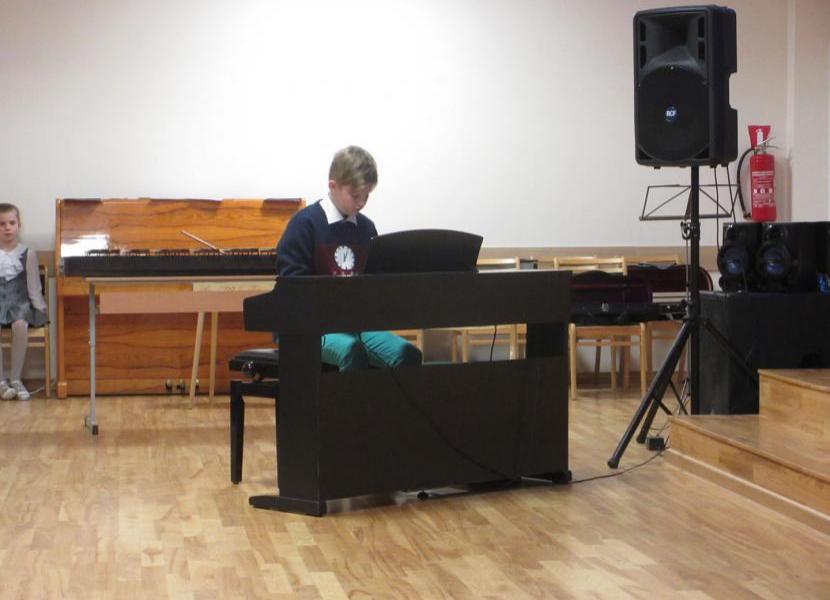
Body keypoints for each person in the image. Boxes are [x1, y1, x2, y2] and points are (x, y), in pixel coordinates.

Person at [276, 146, 422, 371]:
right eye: (355, 196)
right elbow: (292, 287)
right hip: (308, 327)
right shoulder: (304, 224)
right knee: (351, 351)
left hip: (356, 324)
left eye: (366, 196)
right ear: (332, 186)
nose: (361, 203)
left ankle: (384, 397)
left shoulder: (366, 228)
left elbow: (375, 282)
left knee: (408, 354)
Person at [0, 203, 48, 400]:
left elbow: (34, 287)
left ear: (19, 225)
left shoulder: (28, 254)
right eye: (2, 224)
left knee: (20, 324)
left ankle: (16, 378)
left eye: (12, 223)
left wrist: (40, 309)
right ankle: (1, 382)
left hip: (18, 302)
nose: (7, 228)